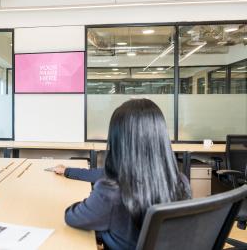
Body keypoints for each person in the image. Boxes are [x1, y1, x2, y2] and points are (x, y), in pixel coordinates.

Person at [64, 99, 191, 249]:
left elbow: (73, 217)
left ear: (119, 142)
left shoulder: (110, 193)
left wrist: (94, 206)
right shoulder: (180, 182)